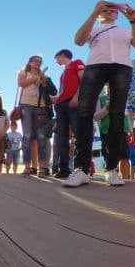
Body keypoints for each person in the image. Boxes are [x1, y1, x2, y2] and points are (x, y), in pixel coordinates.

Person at [65, 0, 135, 188]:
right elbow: (78, 40)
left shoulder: (126, 31)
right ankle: (81, 169)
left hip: (122, 67)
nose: (108, 12)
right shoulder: (93, 30)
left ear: (117, 15)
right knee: (84, 112)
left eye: (112, 10)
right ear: (99, 13)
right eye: (104, 10)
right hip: (95, 66)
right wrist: (94, 13)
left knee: (117, 114)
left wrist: (134, 20)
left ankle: (111, 169)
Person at [16, 56, 56, 177]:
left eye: (39, 61)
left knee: (41, 136)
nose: (37, 63)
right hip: (26, 106)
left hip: (41, 107)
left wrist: (43, 79)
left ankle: (42, 168)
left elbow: (52, 91)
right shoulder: (23, 72)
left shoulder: (44, 76)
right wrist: (35, 78)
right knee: (27, 136)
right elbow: (20, 83)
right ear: (30, 62)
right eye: (35, 61)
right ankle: (27, 167)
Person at [50, 49, 85, 179]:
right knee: (62, 137)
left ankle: (81, 167)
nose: (56, 61)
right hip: (61, 105)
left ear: (62, 55)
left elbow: (84, 80)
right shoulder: (63, 73)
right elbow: (64, 90)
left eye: (56, 58)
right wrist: (57, 99)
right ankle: (64, 169)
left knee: (78, 134)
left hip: (73, 103)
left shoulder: (77, 63)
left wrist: (77, 97)